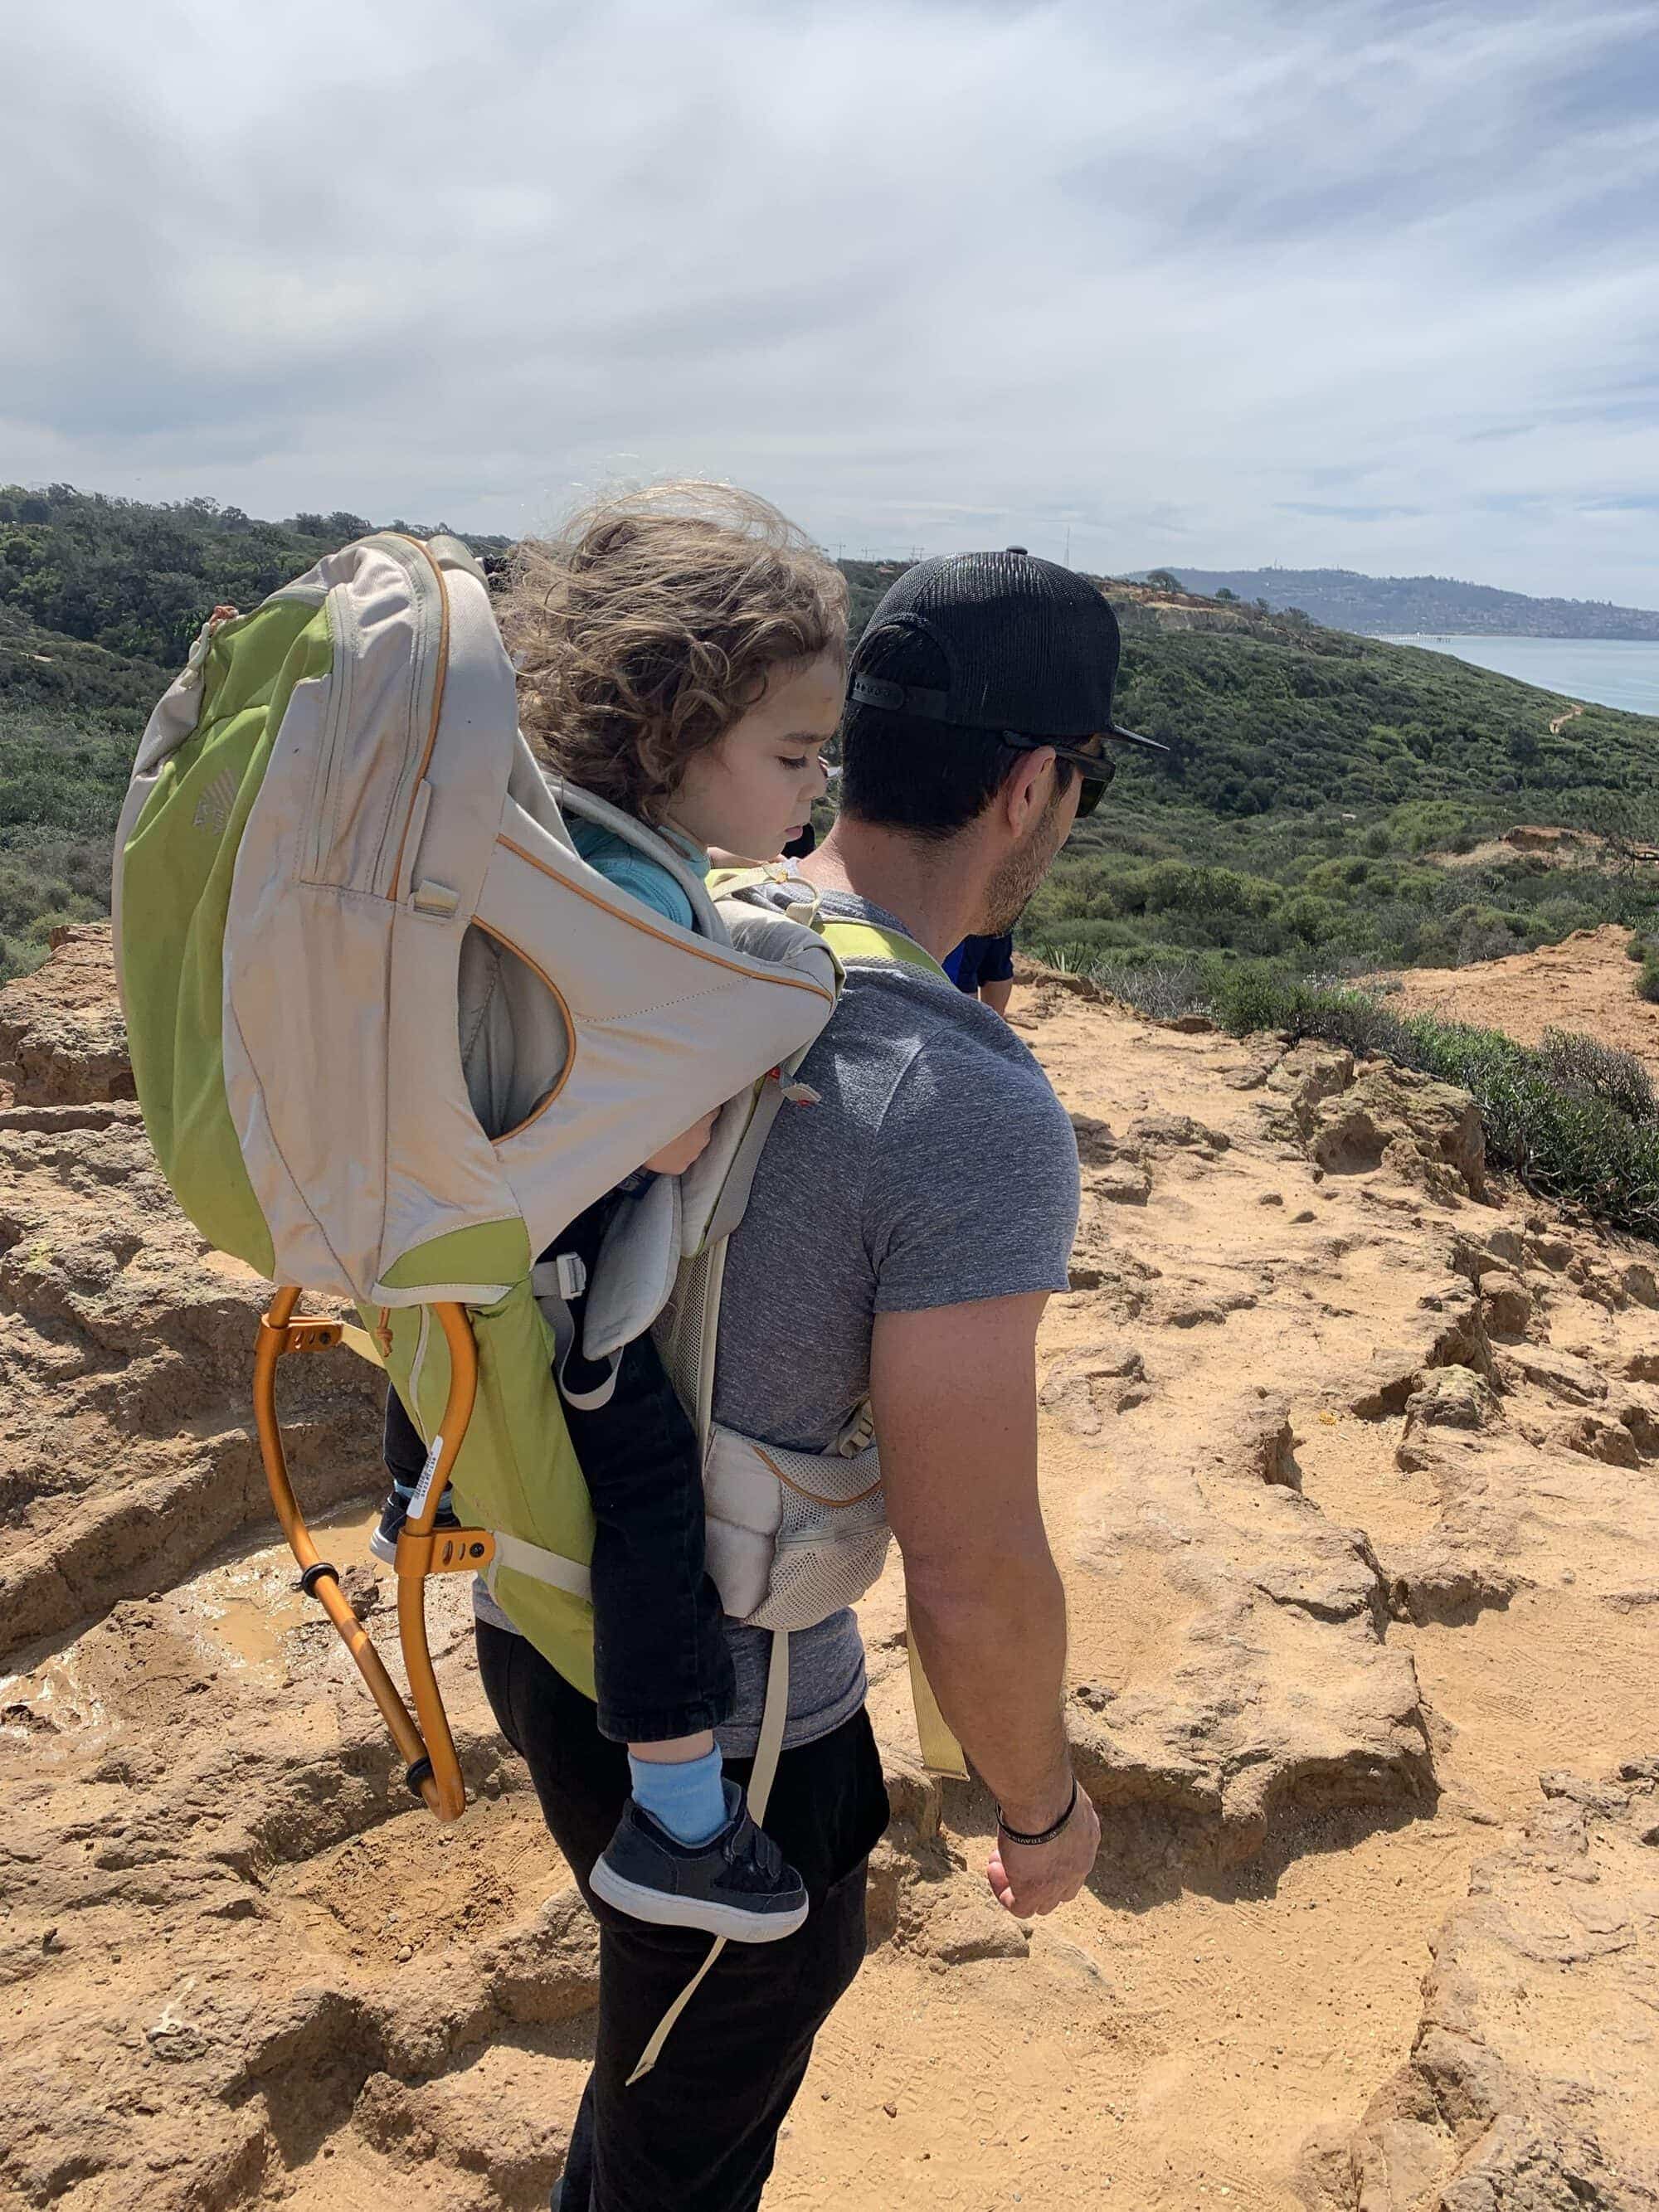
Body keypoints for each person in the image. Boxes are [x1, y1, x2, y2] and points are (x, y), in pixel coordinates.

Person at [475, 545, 1166, 2210]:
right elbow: (973, 1563)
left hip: (536, 1606)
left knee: (662, 2078)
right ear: (1032, 787)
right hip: (745, 1737)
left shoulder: (705, 920)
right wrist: (1040, 1805)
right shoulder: (961, 1102)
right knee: (681, 2146)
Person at [380, 484, 846, 1943]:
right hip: (566, 1255)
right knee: (642, 1489)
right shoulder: (634, 889)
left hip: (444, 1222)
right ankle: (678, 1812)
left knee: (453, 1350)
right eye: (790, 753)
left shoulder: (545, 832)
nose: (812, 792)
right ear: (673, 730)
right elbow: (665, 1116)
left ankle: (425, 1487)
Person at [942, 927, 1015, 1013]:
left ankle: (968, 1024)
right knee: (998, 966)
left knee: (962, 977)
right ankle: (991, 1024)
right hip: (1000, 919)